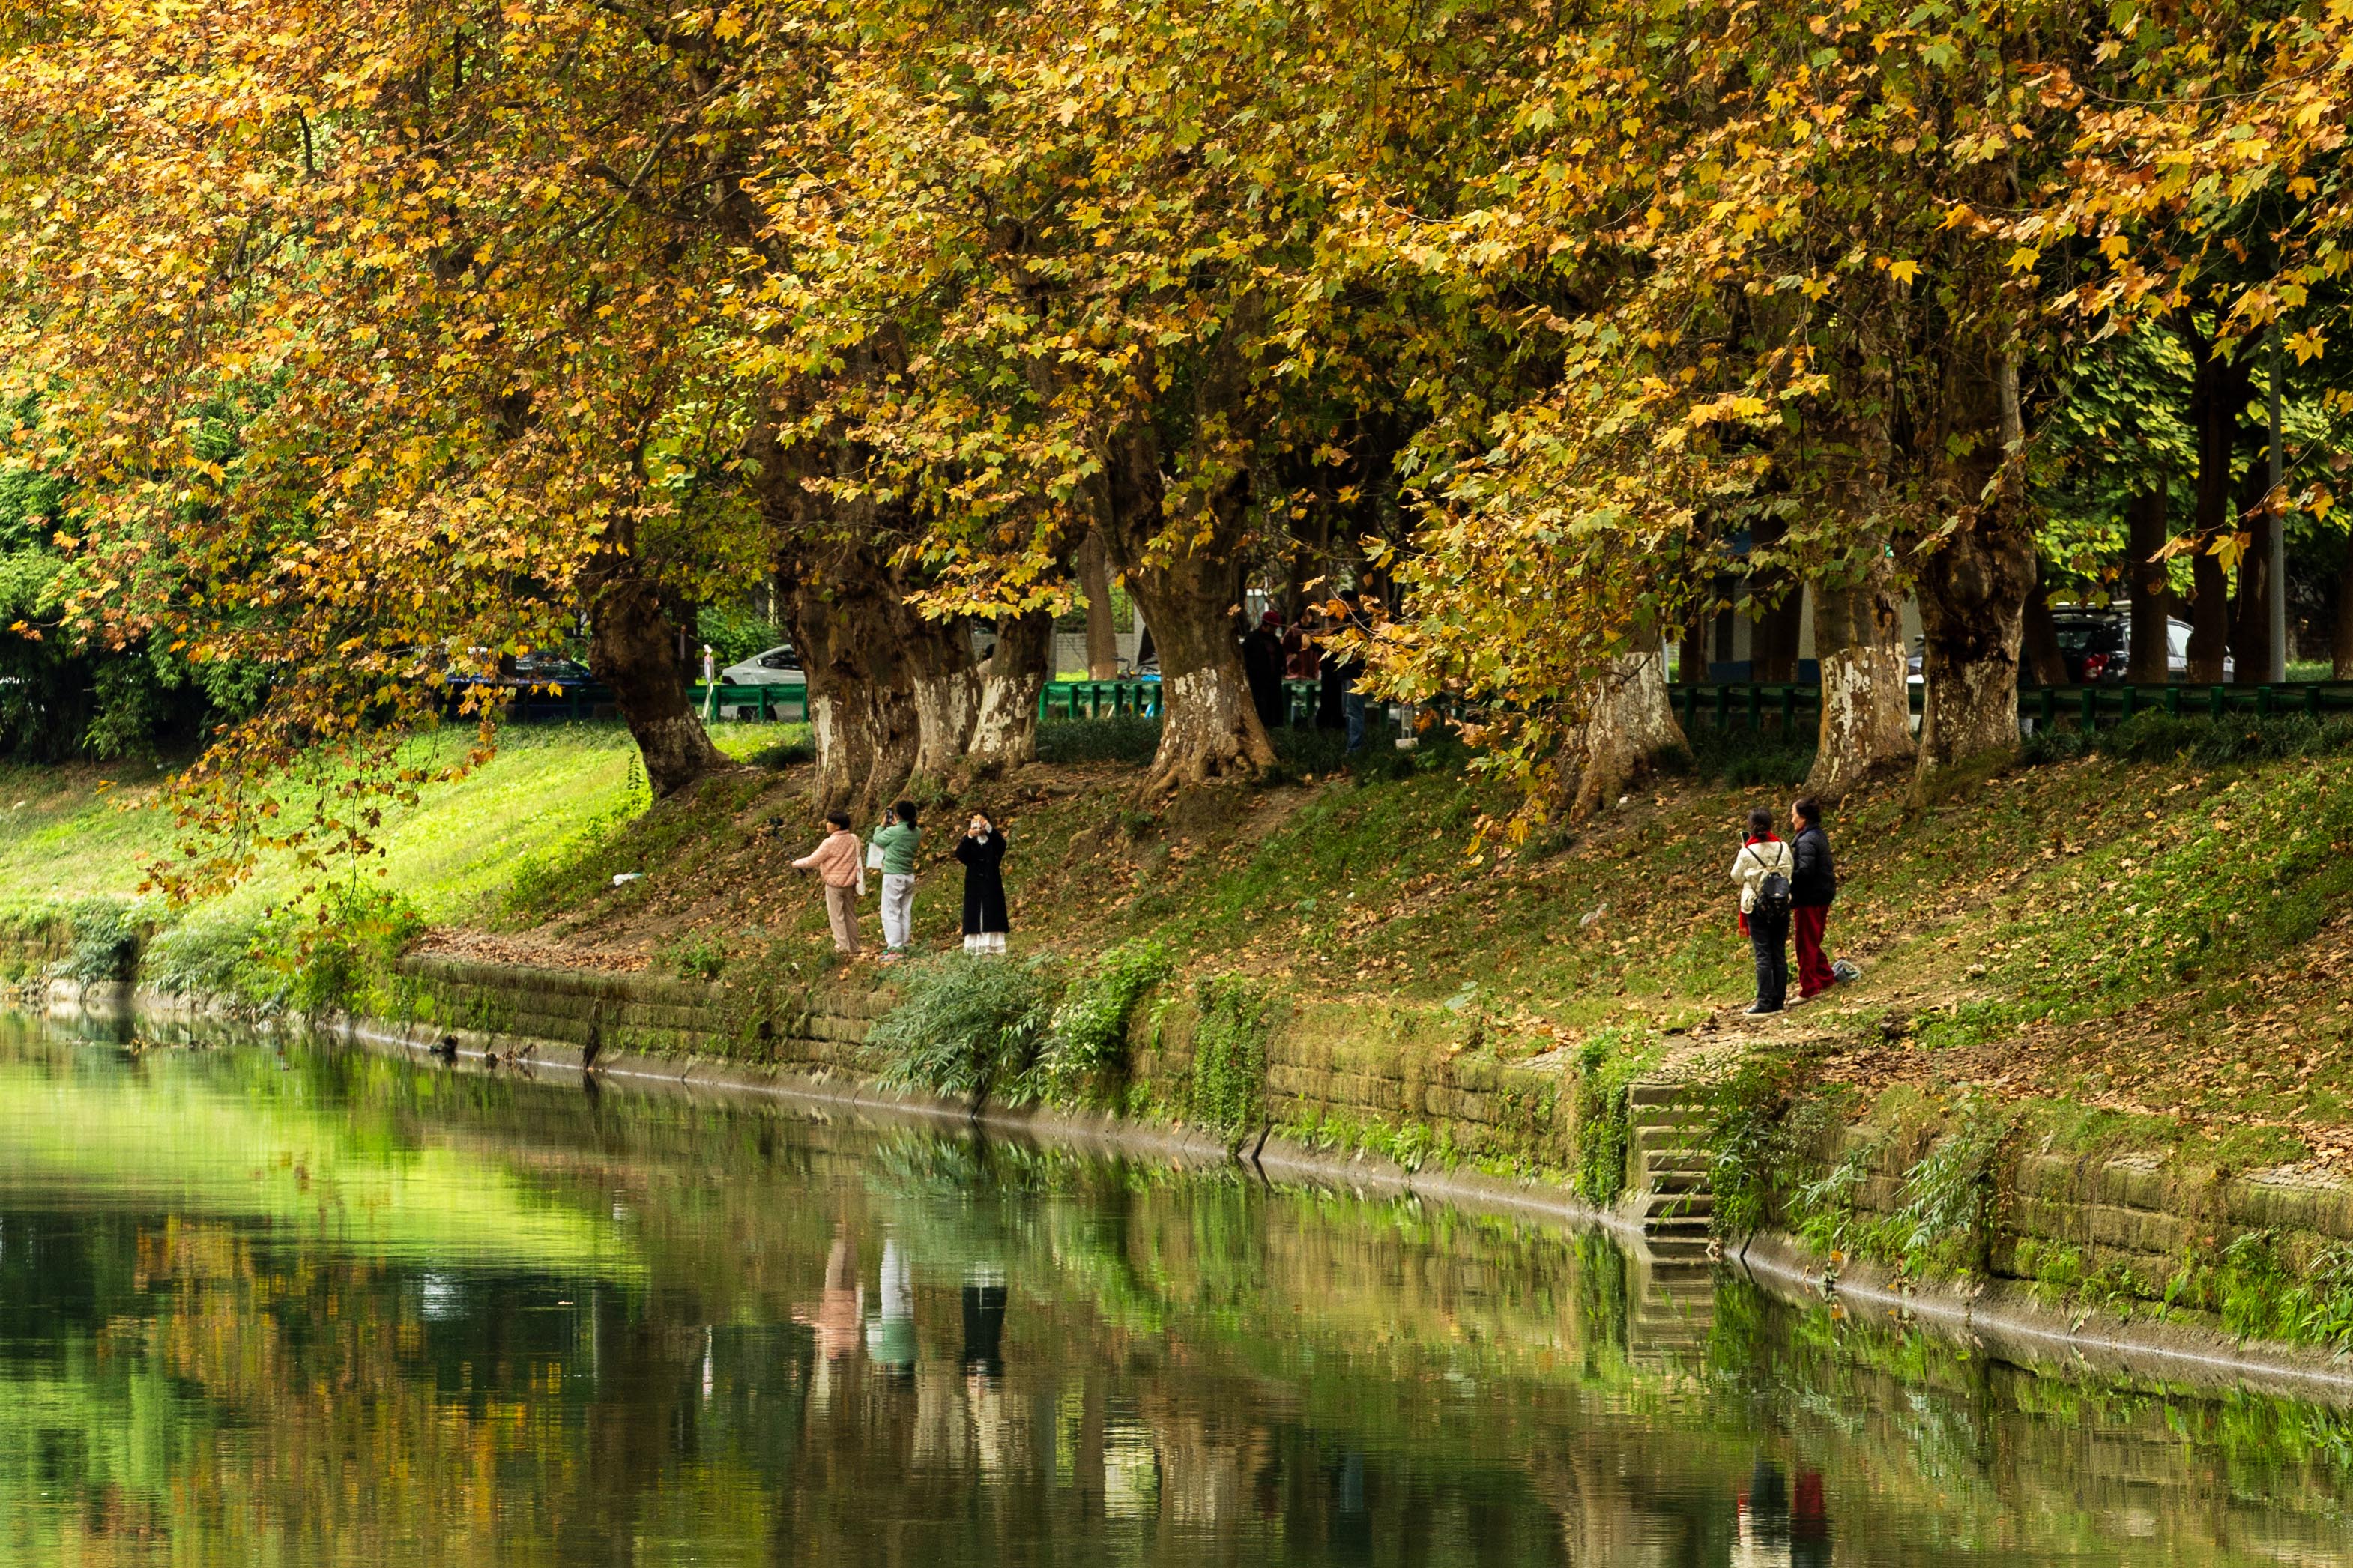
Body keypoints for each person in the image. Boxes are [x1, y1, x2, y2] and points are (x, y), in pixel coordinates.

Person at [1730, 805, 1793, 1015]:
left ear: (1750, 826)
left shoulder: (1746, 852)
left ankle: (1764, 1001)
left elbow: (1736, 877)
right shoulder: (1783, 847)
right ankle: (1779, 1000)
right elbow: (1789, 871)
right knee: (1779, 952)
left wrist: (1745, 851)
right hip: (1781, 905)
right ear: (1771, 825)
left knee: (1763, 954)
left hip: (1756, 907)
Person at [791, 809, 864, 955]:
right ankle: (855, 947)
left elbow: (813, 860)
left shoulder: (829, 842)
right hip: (850, 883)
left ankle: (843, 947)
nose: (827, 825)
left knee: (836, 916)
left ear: (837, 826)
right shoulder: (854, 838)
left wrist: (795, 863)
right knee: (850, 915)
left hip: (833, 885)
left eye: (830, 822)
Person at [1789, 796, 1838, 1002]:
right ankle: (1826, 977)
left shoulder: (1807, 840)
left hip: (1809, 897)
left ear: (1803, 818)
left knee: (1805, 943)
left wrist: (1789, 879)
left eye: (1794, 816)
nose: (1791, 820)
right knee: (1812, 940)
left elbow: (1805, 872)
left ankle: (1809, 988)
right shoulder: (1818, 834)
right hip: (1822, 894)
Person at [871, 799, 921, 962]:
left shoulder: (894, 831)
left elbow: (878, 839)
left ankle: (895, 948)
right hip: (908, 875)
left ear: (897, 815)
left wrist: (882, 824)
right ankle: (904, 944)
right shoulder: (917, 831)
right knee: (905, 911)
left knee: (890, 911)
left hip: (894, 875)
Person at [954, 811, 1010, 954]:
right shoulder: (971, 842)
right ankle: (975, 948)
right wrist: (969, 836)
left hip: (991, 883)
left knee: (991, 913)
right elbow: (960, 854)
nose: (980, 826)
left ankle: (992, 946)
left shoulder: (993, 842)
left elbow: (1002, 845)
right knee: (974, 914)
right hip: (974, 884)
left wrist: (989, 828)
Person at [1242, 608, 1289, 730]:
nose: (1274, 630)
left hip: (1273, 677)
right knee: (1261, 703)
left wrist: (1283, 668)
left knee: (1274, 701)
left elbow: (1280, 655)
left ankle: (1275, 724)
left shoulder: (1274, 639)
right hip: (1258, 678)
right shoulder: (1252, 639)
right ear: (1265, 625)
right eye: (1272, 627)